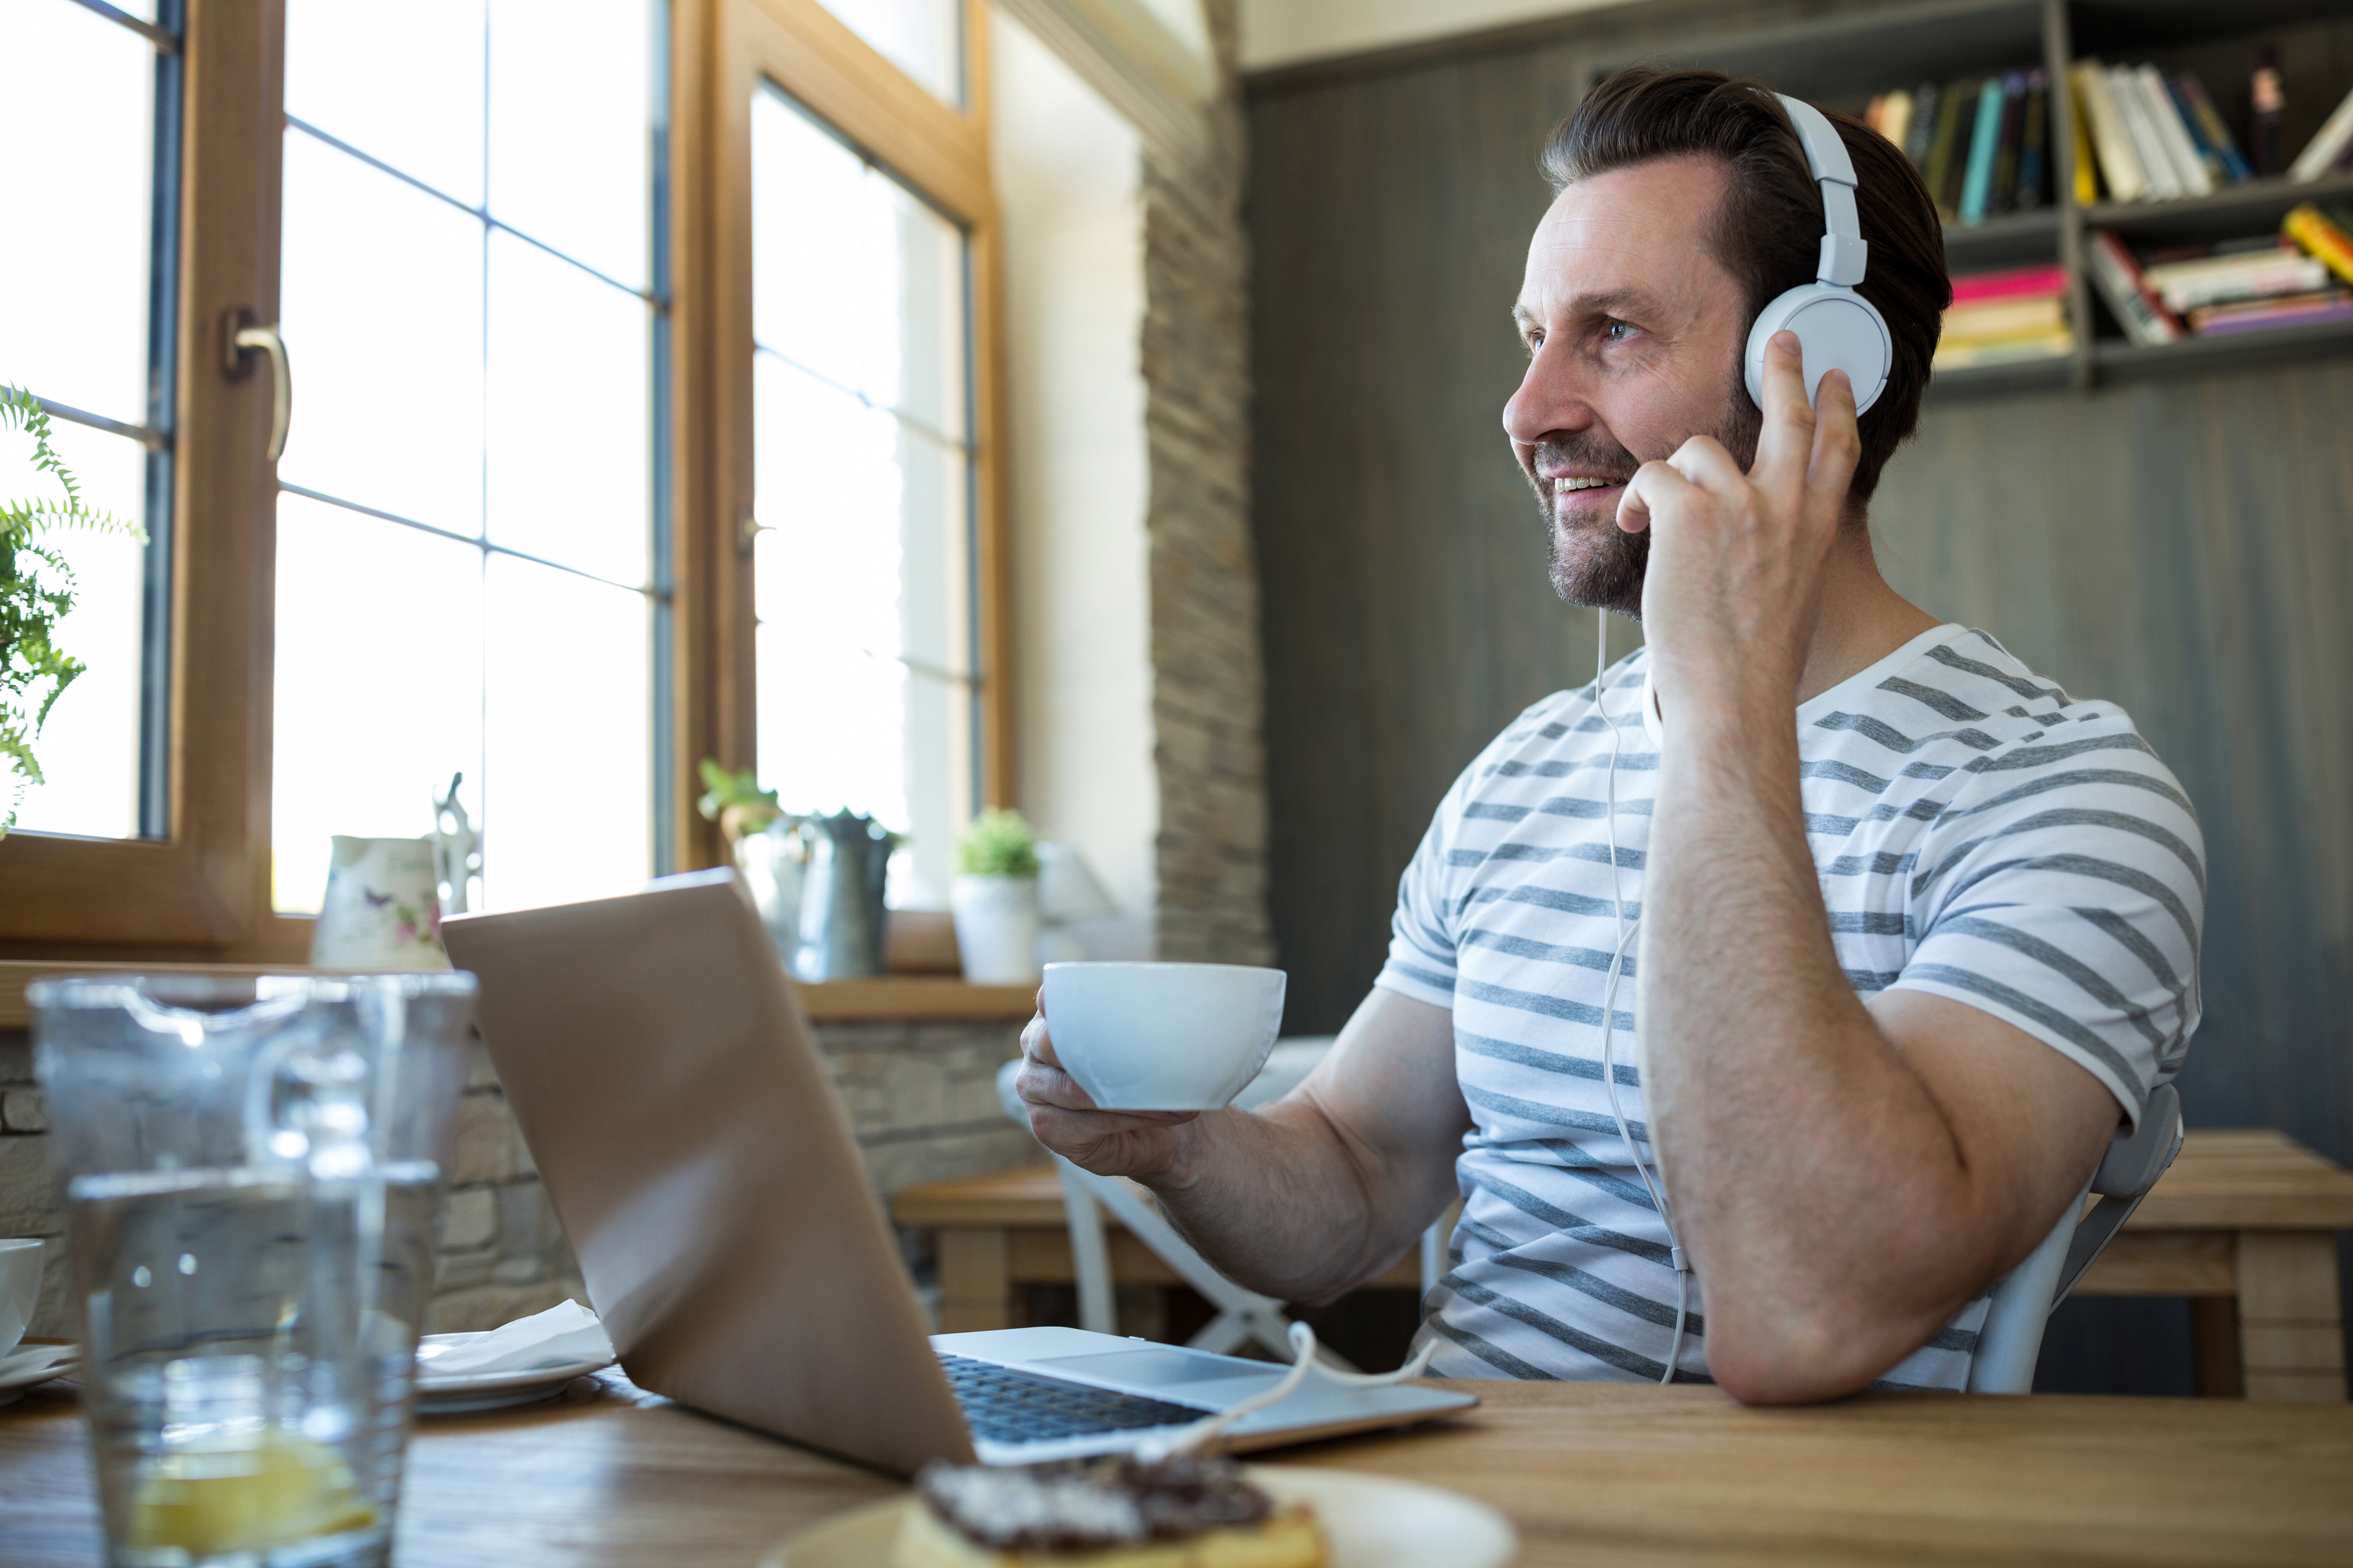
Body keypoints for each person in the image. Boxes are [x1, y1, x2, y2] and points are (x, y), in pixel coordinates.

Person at [1014, 68, 2204, 1401]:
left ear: (1819, 366)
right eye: (1530, 337)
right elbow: (1350, 1183)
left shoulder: (2060, 793)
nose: (1527, 410)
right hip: (1447, 1506)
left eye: (1612, 333)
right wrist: (1172, 1145)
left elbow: (1802, 1316)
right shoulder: (1521, 775)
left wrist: (1720, 715)